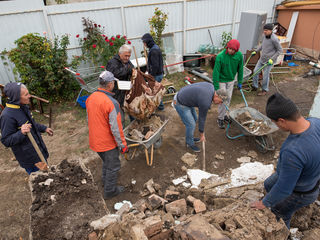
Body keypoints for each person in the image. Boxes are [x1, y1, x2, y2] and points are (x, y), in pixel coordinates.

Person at [251, 93, 320, 229]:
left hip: (301, 192)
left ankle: (285, 233)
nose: (275, 126)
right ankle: (273, 198)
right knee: (268, 184)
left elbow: (284, 188)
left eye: (274, 122)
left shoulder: (293, 151)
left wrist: (264, 203)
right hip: (311, 178)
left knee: (280, 213)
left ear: (282, 121)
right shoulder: (316, 122)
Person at [86, 70, 128, 199]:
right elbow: (116, 128)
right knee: (114, 166)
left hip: (95, 140)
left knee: (106, 162)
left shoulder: (91, 98)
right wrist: (123, 145)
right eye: (113, 83)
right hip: (107, 143)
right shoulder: (111, 103)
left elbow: (89, 119)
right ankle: (110, 191)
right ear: (110, 85)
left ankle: (105, 181)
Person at [0, 82, 53, 174]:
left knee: (47, 173)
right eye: (26, 94)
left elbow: (31, 124)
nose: (30, 96)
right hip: (30, 158)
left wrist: (44, 128)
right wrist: (21, 133)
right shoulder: (7, 116)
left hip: (38, 150)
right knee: (40, 179)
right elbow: (6, 140)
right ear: (16, 98)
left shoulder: (23, 107)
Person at [173, 82, 225, 152]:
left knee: (195, 119)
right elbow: (202, 118)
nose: (220, 103)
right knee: (191, 125)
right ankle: (189, 143)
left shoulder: (211, 87)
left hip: (186, 98)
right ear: (217, 96)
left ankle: (190, 137)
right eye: (221, 101)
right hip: (180, 102)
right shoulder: (205, 101)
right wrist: (202, 135)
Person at [213, 39, 244, 129]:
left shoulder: (239, 56)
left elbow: (240, 69)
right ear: (227, 47)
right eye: (229, 49)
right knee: (223, 99)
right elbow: (216, 72)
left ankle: (225, 115)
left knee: (229, 98)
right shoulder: (220, 57)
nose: (231, 51)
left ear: (236, 50)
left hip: (231, 80)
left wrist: (240, 81)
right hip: (221, 80)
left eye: (233, 50)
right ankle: (220, 118)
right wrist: (216, 86)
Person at [252, 23, 283, 96]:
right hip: (262, 58)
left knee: (265, 76)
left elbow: (280, 50)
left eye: (266, 30)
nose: (264, 32)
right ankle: (255, 86)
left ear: (270, 30)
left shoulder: (274, 39)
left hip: (269, 61)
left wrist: (272, 59)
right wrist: (256, 51)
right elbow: (262, 45)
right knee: (255, 71)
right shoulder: (265, 36)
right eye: (264, 30)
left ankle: (264, 90)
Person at [141, 33, 164, 110]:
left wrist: (151, 76)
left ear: (148, 42)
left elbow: (155, 65)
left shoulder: (154, 50)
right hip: (158, 74)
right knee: (157, 91)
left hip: (156, 75)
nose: (144, 44)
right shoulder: (154, 48)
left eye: (144, 42)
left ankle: (160, 107)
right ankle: (160, 106)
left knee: (155, 92)